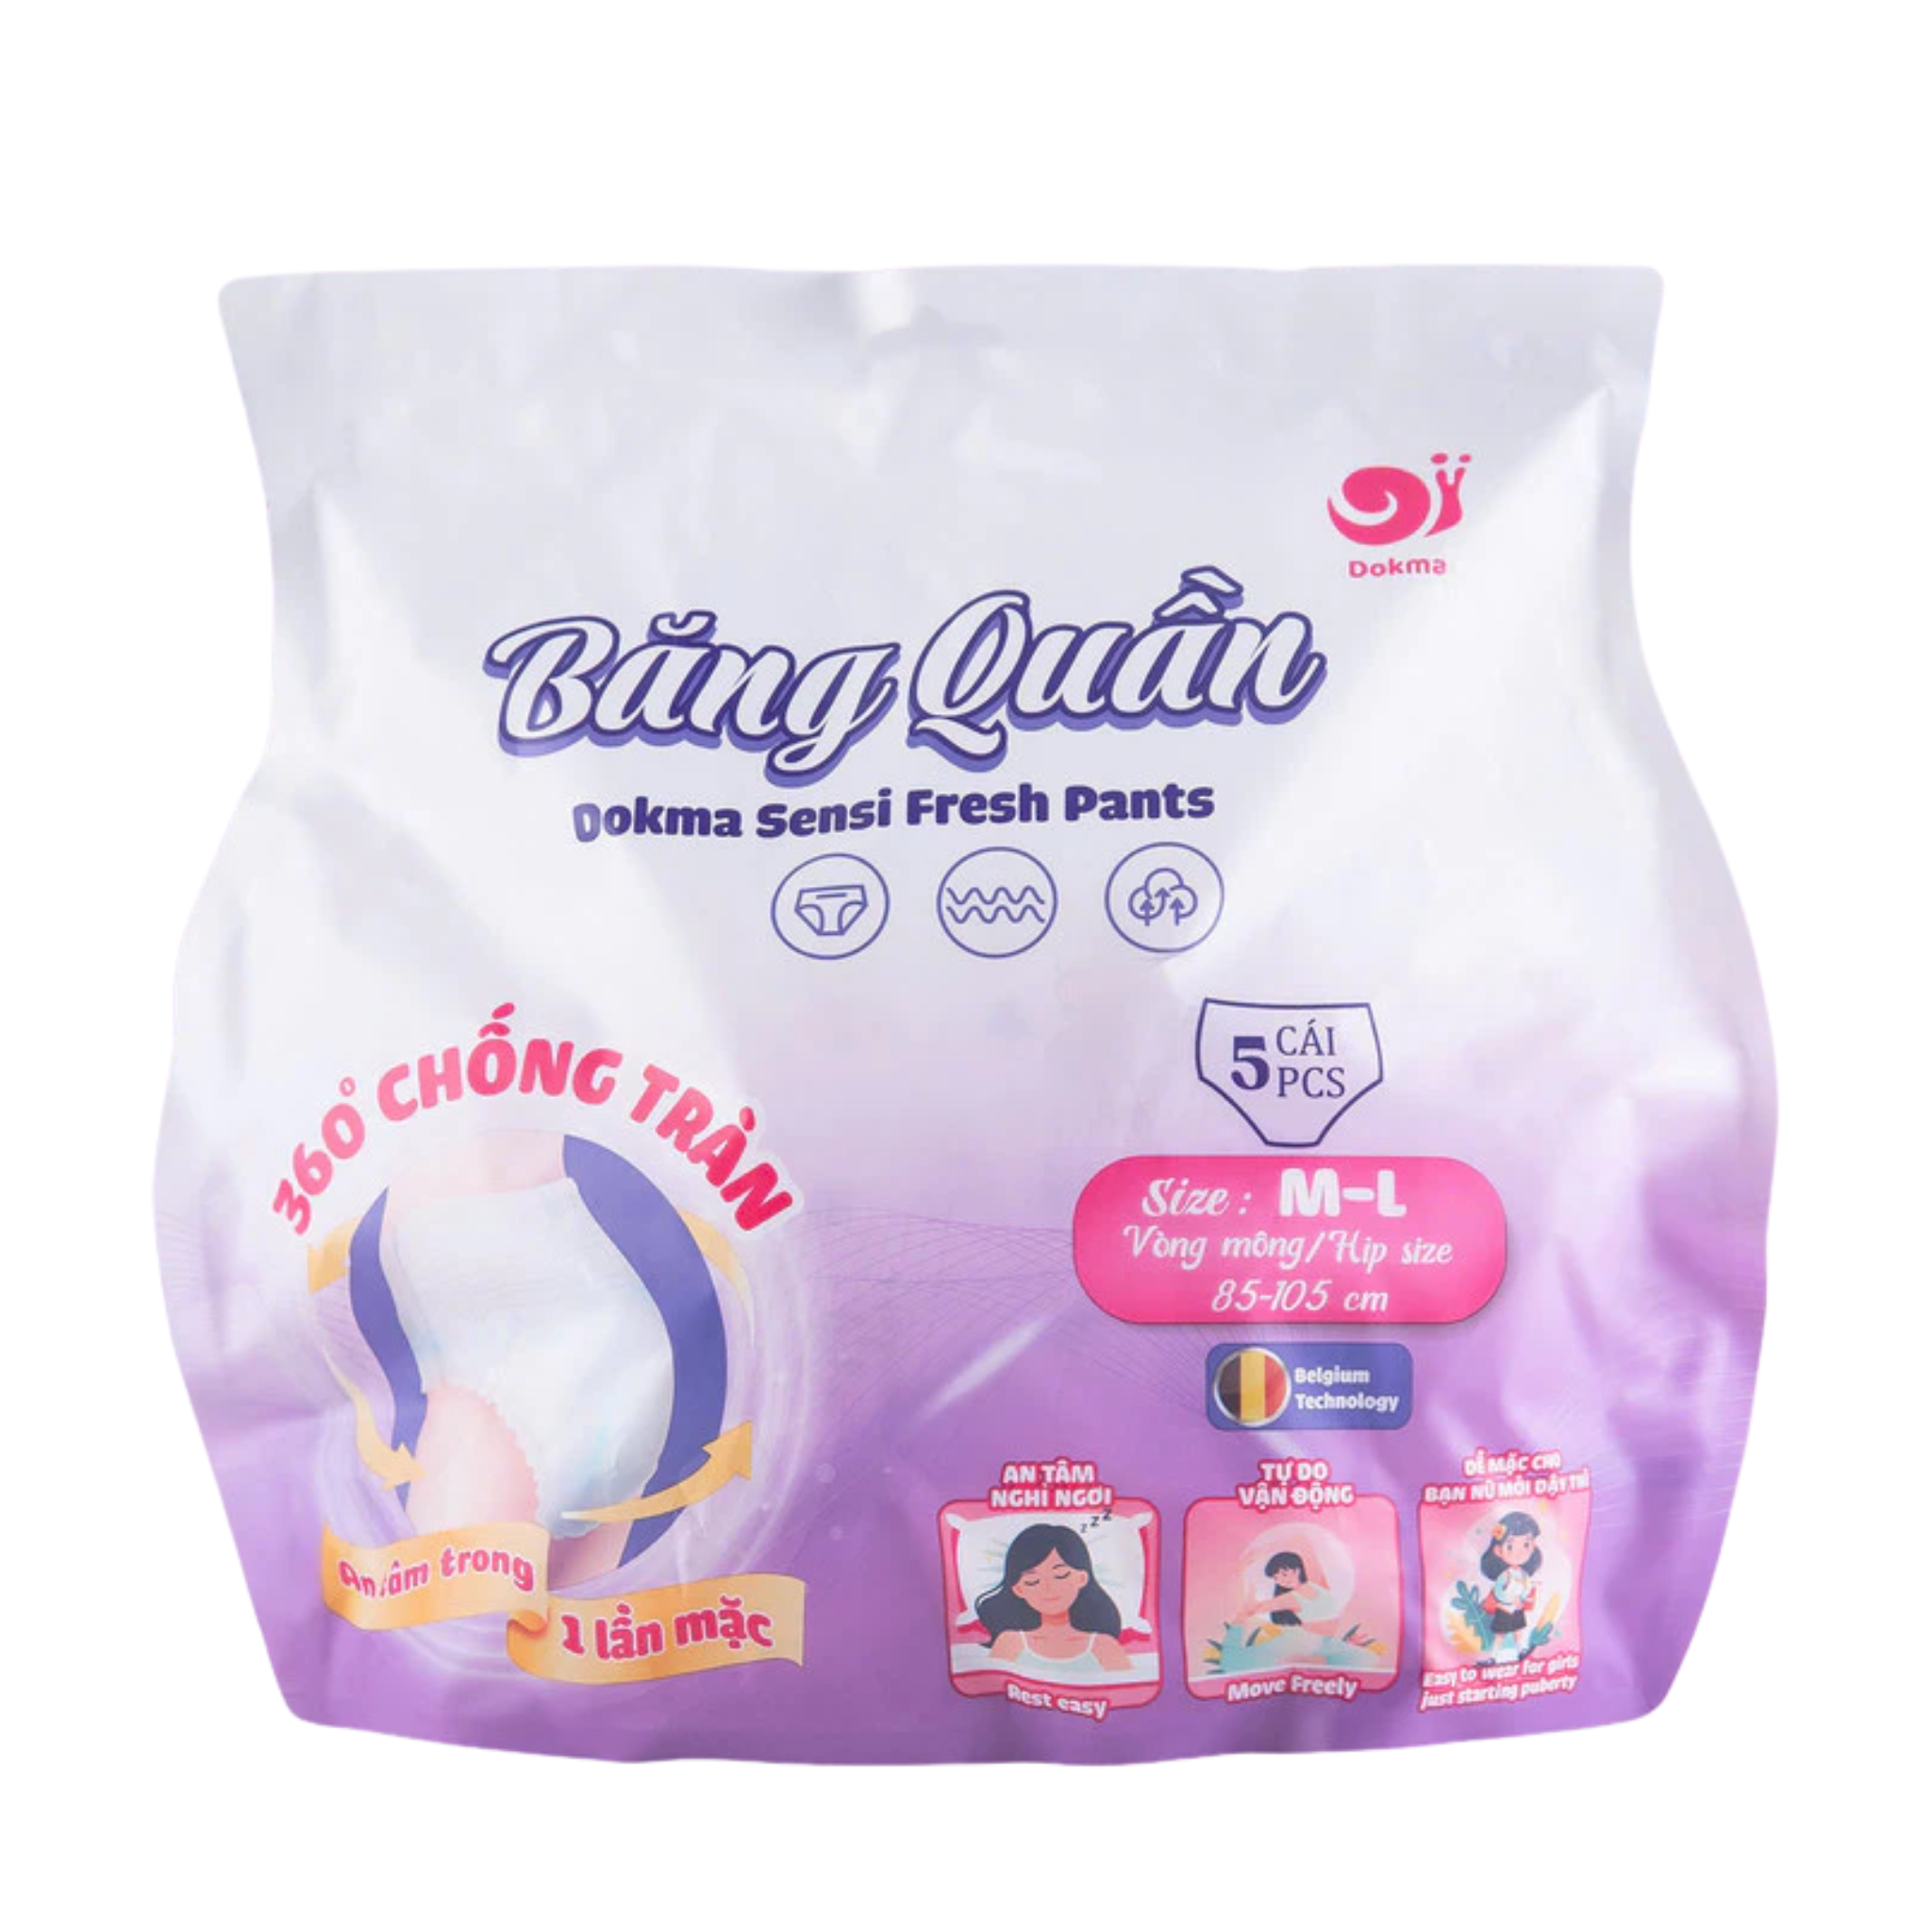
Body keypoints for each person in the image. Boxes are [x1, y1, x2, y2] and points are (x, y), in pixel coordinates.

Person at [974, 1524, 1133, 1675]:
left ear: (1082, 1578)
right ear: (1018, 1589)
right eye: (1032, 1581)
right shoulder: (1010, 1642)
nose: (1048, 1588)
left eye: (1061, 1575)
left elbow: (1126, 1688)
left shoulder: (1103, 1646)